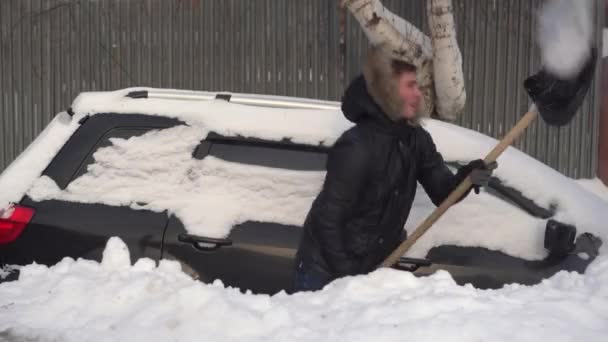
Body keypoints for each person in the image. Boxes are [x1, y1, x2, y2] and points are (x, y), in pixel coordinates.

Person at [292, 44, 495, 292]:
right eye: (410, 86)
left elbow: (442, 191)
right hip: (323, 270)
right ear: (388, 90)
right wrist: (348, 278)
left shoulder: (415, 140)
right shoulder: (357, 146)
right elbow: (328, 219)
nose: (418, 94)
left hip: (368, 270)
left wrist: (468, 177)